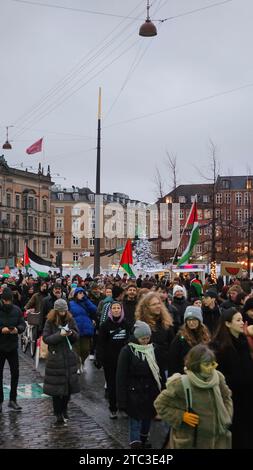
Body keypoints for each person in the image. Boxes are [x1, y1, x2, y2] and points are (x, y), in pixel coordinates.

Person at [154, 344, 233, 449]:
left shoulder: (218, 377)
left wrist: (227, 415)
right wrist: (181, 416)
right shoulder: (181, 383)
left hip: (218, 439)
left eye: (213, 364)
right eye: (206, 364)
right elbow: (160, 404)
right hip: (192, 441)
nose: (210, 368)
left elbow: (226, 396)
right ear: (196, 364)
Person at [210, 307, 253, 448]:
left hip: (247, 397)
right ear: (228, 324)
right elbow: (216, 375)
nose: (242, 323)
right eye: (238, 320)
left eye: (242, 319)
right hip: (231, 399)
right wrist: (239, 379)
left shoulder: (243, 342)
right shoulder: (218, 346)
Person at [116, 320, 163, 449]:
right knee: (135, 419)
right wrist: (121, 400)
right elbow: (121, 376)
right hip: (133, 390)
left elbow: (159, 371)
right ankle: (135, 442)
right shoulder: (127, 351)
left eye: (148, 338)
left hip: (150, 390)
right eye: (143, 338)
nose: (146, 341)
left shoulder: (154, 349)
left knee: (148, 416)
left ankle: (143, 438)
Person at [43, 298, 80, 426]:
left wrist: (70, 333)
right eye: (60, 311)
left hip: (69, 358)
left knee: (67, 389)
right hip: (55, 359)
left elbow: (76, 335)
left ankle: (64, 409)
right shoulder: (50, 321)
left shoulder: (70, 319)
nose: (63, 313)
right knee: (56, 390)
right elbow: (46, 338)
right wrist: (60, 335)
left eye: (64, 311)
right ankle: (58, 413)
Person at [96, 301, 129, 419]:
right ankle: (113, 408)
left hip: (124, 360)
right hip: (109, 360)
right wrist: (99, 358)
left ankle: (124, 407)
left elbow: (129, 340)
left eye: (118, 308)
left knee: (124, 384)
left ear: (121, 310)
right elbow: (100, 343)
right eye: (114, 308)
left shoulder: (126, 324)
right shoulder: (105, 326)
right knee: (111, 385)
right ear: (110, 311)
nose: (116, 310)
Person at [135, 292, 174, 377]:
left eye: (159, 303)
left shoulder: (166, 323)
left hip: (164, 366)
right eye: (154, 304)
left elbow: (172, 345)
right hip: (147, 368)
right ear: (146, 308)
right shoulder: (141, 325)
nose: (158, 306)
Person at [0, 288, 26, 412]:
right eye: (6, 301)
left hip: (12, 347)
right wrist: (1, 330)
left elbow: (22, 324)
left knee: (15, 373)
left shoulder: (17, 310)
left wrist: (18, 329)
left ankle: (13, 400)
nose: (8, 303)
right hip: (0, 346)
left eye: (9, 300)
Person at [168, 306, 210, 376]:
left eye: (194, 320)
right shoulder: (180, 337)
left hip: (203, 373)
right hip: (185, 374)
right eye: (188, 320)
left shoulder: (205, 335)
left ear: (199, 321)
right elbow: (173, 359)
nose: (191, 323)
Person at [68, 287, 97, 373]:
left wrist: (86, 300)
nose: (81, 294)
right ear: (76, 294)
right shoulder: (71, 303)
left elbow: (94, 309)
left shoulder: (87, 303)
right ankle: (77, 365)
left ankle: (82, 361)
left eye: (82, 293)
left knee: (85, 349)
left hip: (86, 328)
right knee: (76, 349)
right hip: (75, 328)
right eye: (79, 293)